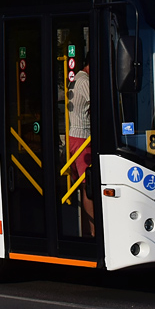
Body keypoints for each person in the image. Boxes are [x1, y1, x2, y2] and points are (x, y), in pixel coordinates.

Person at [68, 59, 94, 236]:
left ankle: (90, 229)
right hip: (83, 138)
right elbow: (98, 103)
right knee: (88, 185)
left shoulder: (76, 78)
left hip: (75, 137)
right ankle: (94, 230)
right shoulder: (85, 81)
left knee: (85, 185)